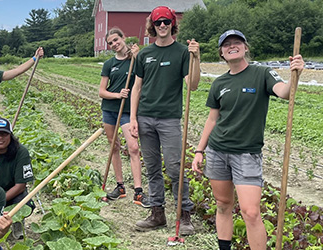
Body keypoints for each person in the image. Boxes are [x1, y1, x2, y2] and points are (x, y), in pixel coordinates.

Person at [191, 30, 304, 250]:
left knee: (251, 212)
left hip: (247, 154)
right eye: (227, 45)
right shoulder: (219, 83)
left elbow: (284, 93)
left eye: (237, 43)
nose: (232, 46)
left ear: (245, 48)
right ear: (222, 53)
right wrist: (199, 151)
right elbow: (212, 119)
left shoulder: (262, 73)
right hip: (217, 151)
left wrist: (295, 75)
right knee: (223, 205)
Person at [128, 6, 200, 233]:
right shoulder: (145, 54)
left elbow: (193, 85)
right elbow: (136, 88)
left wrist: (196, 58)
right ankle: (157, 214)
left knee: (175, 167)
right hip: (145, 117)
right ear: (152, 25)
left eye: (166, 22)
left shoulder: (182, 52)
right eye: (158, 22)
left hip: (169, 119)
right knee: (152, 168)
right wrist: (132, 118)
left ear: (172, 24)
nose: (162, 25)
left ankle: (184, 214)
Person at [98, 28, 146, 206]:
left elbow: (142, 82)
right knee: (114, 147)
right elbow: (102, 92)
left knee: (133, 147)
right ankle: (120, 187)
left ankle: (139, 191)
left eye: (116, 40)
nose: (114, 44)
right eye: (111, 43)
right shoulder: (109, 64)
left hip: (128, 111)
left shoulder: (135, 59)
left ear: (124, 38)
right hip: (110, 110)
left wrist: (137, 56)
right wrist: (118, 94)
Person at [0, 117, 34, 240]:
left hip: (13, 192)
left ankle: (17, 223)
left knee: (23, 200)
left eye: (4, 134)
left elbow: (20, 186)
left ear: (10, 136)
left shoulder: (21, 152)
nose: (0, 138)